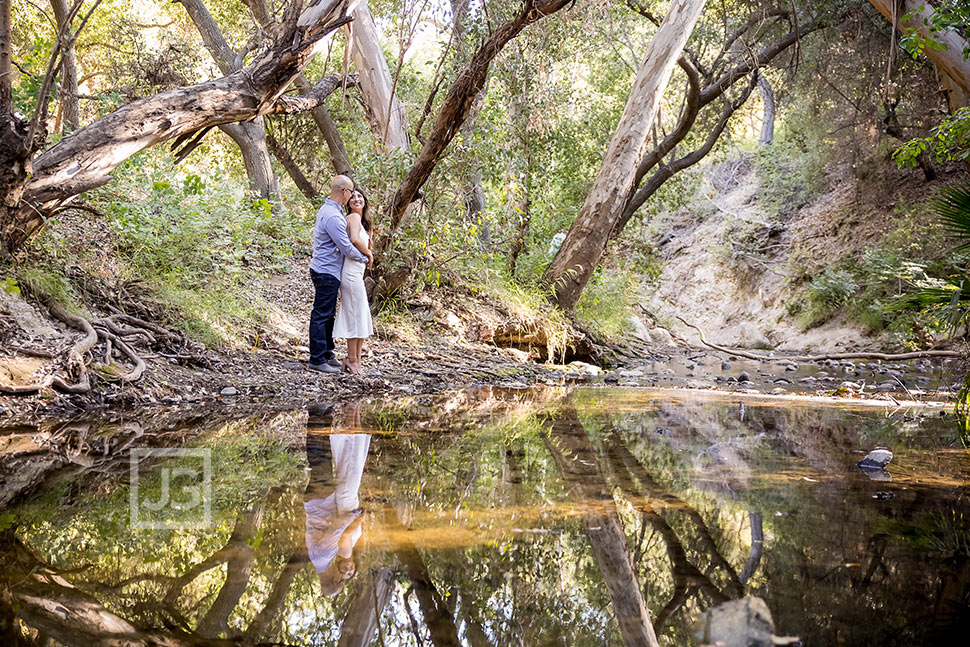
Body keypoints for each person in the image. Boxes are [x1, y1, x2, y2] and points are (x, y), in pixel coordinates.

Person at [304, 402, 371, 596]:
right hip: (319, 501)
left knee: (318, 459)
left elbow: (338, 525)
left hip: (319, 501)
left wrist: (358, 516)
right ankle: (325, 414)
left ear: (334, 579)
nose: (341, 575)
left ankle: (317, 414)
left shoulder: (324, 556)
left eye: (340, 579)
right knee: (323, 457)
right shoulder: (320, 560)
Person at [309, 176, 370, 373]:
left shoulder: (332, 211)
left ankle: (328, 353)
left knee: (328, 315)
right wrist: (366, 257)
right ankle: (317, 359)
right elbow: (346, 246)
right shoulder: (333, 216)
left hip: (331, 270)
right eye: (351, 192)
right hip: (326, 270)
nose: (352, 196)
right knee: (321, 314)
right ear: (344, 191)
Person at [332, 188, 375, 375]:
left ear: (365, 201)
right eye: (353, 196)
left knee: (360, 314)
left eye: (360, 196)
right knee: (354, 315)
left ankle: (355, 359)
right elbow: (354, 239)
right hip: (350, 273)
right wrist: (369, 253)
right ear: (348, 201)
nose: (356, 199)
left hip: (356, 272)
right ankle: (351, 359)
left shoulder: (362, 221)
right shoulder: (353, 218)